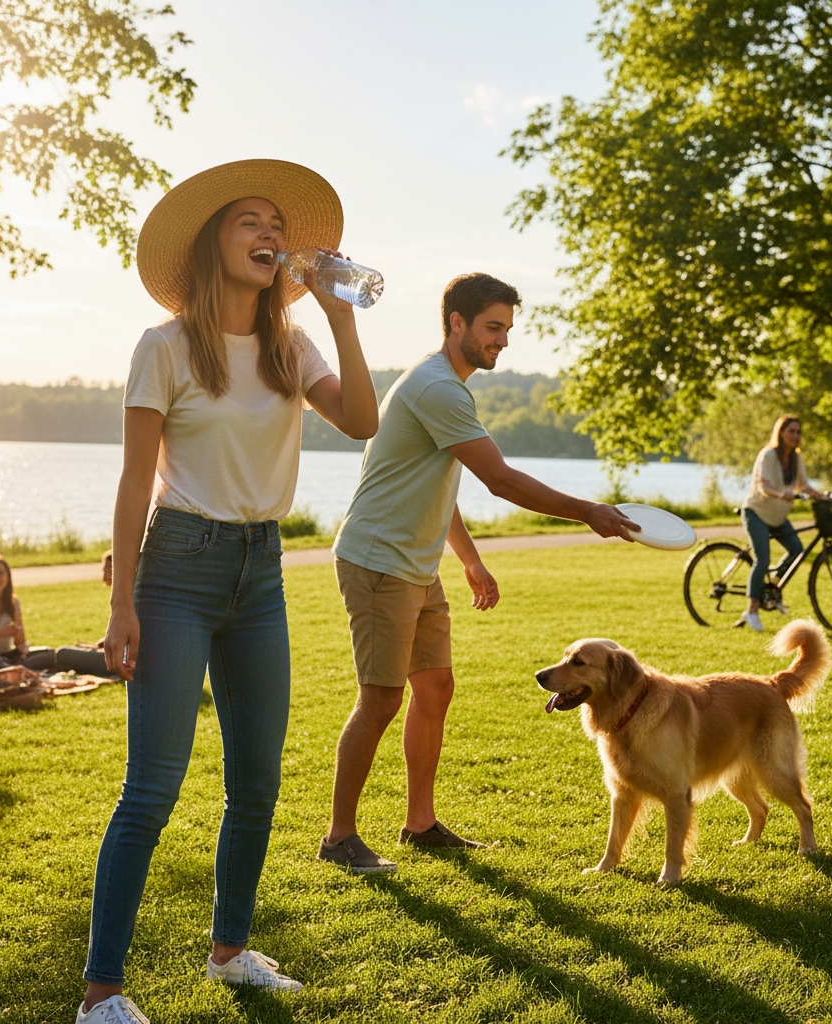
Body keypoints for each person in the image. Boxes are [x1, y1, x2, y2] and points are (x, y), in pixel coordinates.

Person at [78, 159, 378, 1024]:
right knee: (152, 788)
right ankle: (101, 994)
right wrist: (122, 603)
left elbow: (361, 421)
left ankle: (230, 952)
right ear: (214, 242)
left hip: (261, 569)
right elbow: (134, 481)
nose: (270, 235)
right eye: (252, 221)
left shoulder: (293, 346)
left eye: (277, 225)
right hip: (178, 564)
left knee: (257, 783)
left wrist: (340, 316)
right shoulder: (165, 346)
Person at [318, 272, 639, 875]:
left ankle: (420, 824)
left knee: (435, 688)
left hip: (416, 565)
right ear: (456, 323)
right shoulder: (437, 387)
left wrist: (468, 558)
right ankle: (339, 837)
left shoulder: (444, 385)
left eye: (507, 329)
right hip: (379, 562)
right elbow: (500, 479)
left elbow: (436, 484)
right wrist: (588, 511)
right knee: (381, 698)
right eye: (493, 327)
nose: (503, 341)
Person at [738, 415, 824, 632]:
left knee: (797, 550)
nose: (796, 435)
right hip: (756, 513)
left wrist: (822, 496)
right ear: (781, 433)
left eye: (798, 432)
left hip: (778, 517)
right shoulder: (768, 455)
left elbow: (803, 485)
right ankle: (751, 611)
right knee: (763, 559)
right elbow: (763, 486)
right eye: (791, 431)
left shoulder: (796, 457)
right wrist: (780, 494)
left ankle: (772, 587)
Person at [53, 550, 114, 677]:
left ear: (113, 570)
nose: (103, 576)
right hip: (115, 654)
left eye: (105, 570)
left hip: (118, 659)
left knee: (62, 653)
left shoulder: (124, 600)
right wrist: (97, 646)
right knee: (63, 652)